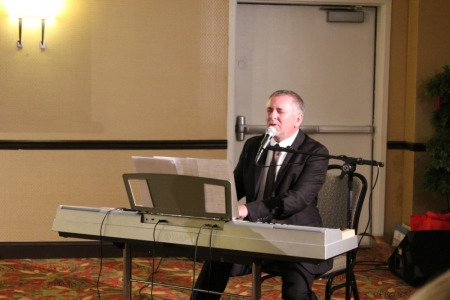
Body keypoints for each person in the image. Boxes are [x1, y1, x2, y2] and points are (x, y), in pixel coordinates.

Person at [192, 90, 332, 300]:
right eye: (269, 110)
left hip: (297, 237)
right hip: (254, 234)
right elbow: (235, 186)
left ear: (298, 119)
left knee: (296, 294)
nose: (272, 116)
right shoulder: (253, 145)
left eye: (279, 111)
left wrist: (248, 209)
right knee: (216, 259)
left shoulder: (315, 152)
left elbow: (298, 199)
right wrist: (208, 201)